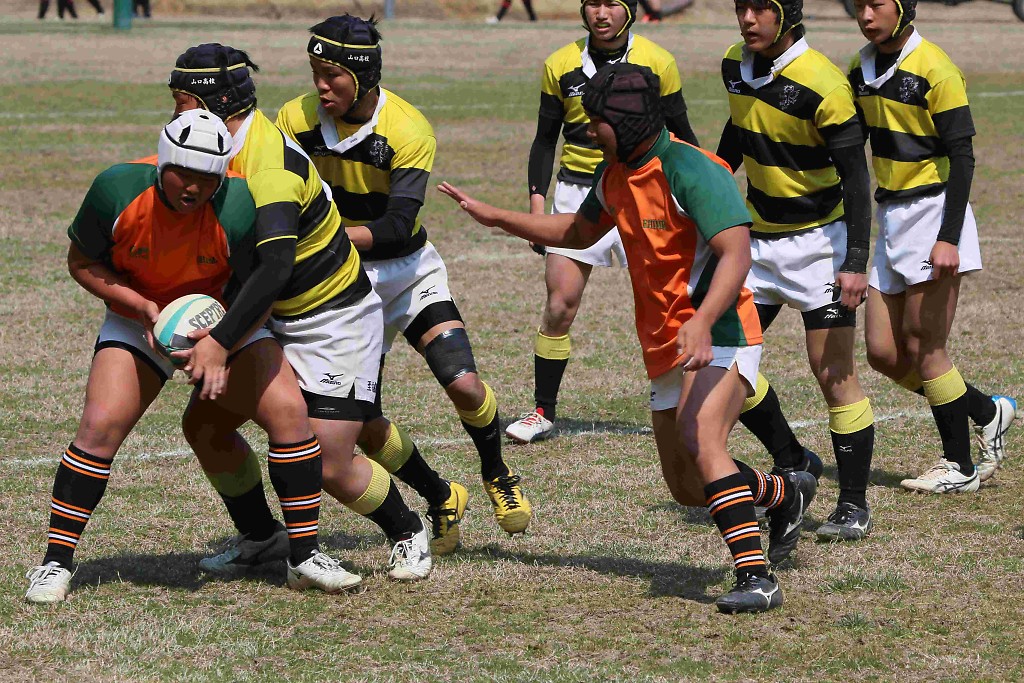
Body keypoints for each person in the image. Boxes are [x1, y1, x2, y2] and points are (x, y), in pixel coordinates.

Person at [440, 63, 817, 614]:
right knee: (686, 487)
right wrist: (498, 217)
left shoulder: (692, 169)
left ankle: (756, 577)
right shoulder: (616, 172)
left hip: (721, 331)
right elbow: (577, 232)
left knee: (702, 439)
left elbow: (736, 253)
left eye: (597, 121)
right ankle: (784, 492)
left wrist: (703, 321)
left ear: (626, 120)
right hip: (665, 344)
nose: (589, 130)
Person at [24, 111, 362, 603]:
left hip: (220, 320)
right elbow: (81, 263)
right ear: (163, 164)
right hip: (137, 318)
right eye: (183, 173)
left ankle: (304, 557)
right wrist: (140, 307)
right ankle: (55, 563)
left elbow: (260, 286)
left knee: (289, 412)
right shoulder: (115, 189)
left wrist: (220, 342)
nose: (194, 187)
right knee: (99, 427)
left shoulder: (239, 203)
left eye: (207, 177)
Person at [168, 44, 432, 581]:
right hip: (271, 315)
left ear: (212, 102)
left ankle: (408, 529)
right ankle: (261, 536)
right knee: (206, 424)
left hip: (332, 319)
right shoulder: (211, 151)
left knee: (331, 463)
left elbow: (275, 267)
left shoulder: (267, 163)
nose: (174, 114)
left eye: (181, 101)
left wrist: (219, 340)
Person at [276, 15, 532, 545]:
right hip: (342, 284)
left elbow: (397, 225)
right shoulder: (293, 120)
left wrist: (324, 239)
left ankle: (496, 471)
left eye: (333, 75)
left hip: (407, 272)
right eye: (315, 73)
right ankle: (441, 495)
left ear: (363, 76)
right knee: (364, 422)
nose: (321, 86)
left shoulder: (407, 129)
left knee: (463, 383)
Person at [504, 0, 701, 444]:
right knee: (560, 304)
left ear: (630, 8)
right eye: (593, 2)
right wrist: (537, 205)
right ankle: (542, 411)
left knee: (671, 305)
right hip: (578, 192)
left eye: (612, 2)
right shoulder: (560, 64)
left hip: (642, 188)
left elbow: (683, 134)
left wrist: (691, 199)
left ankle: (691, 400)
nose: (601, 13)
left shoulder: (658, 62)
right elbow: (544, 140)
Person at [716, 0, 877, 541]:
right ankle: (792, 459)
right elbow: (738, 131)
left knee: (833, 374)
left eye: (761, 8)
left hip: (820, 247)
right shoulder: (734, 65)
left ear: (786, 14)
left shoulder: (824, 84)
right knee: (723, 362)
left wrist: (855, 262)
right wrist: (709, 185)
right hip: (755, 244)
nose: (748, 18)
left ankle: (853, 504)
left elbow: (856, 180)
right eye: (741, 7)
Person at [849, 0, 1018, 492]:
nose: (865, 14)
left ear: (903, 7)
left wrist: (948, 238)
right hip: (891, 215)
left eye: (876, 4)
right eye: (859, 4)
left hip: (933, 213)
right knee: (883, 352)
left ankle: (959, 466)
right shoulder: (859, 68)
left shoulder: (936, 68)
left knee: (927, 348)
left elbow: (963, 158)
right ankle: (986, 411)